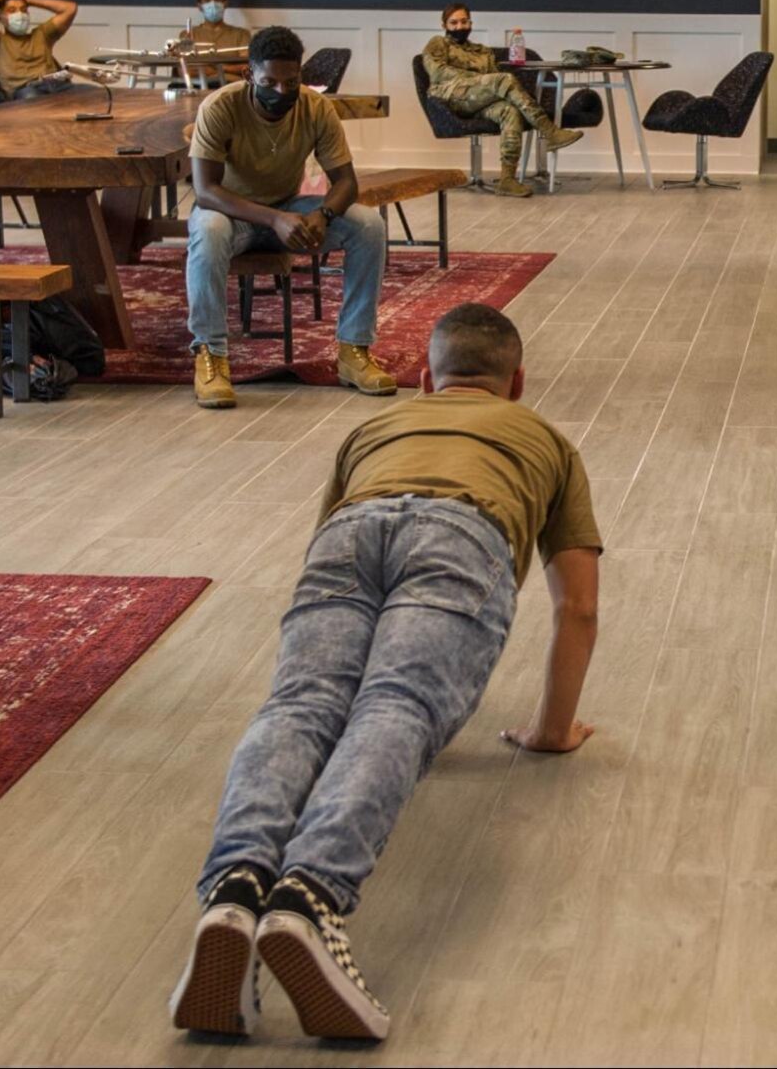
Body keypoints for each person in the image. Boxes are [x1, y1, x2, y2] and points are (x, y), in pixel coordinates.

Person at [169, 302, 603, 1042]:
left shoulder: (372, 428)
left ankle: (234, 888)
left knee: (299, 705)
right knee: (396, 707)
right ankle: (309, 898)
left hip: (351, 532)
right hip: (464, 536)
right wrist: (551, 731)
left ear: (426, 379)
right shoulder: (548, 441)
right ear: (517, 383)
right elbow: (580, 610)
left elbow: (329, 547)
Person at [186, 25, 397, 408]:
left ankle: (354, 350)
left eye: (291, 81)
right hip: (232, 213)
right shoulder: (219, 107)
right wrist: (273, 219)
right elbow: (206, 191)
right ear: (250, 74)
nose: (281, 91)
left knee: (368, 225)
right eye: (270, 81)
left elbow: (346, 182)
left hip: (289, 207)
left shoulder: (316, 108)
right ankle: (211, 356)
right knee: (208, 228)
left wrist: (323, 213)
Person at [421, 3, 583, 199]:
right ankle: (549, 130)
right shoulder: (438, 43)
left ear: (470, 22)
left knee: (509, 111)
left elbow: (492, 78)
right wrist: (478, 79)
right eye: (453, 22)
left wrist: (486, 82)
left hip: (479, 100)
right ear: (444, 25)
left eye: (464, 21)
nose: (459, 27)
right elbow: (438, 73)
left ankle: (507, 179)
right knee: (503, 79)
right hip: (452, 98)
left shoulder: (482, 51)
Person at [0, 0, 77, 98]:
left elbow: (70, 8)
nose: (19, 14)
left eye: (23, 10)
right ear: (0, 18)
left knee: (92, 93)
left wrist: (29, 0)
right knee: (34, 101)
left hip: (57, 84)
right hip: (26, 90)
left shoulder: (42, 34)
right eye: (12, 10)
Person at [178, 0, 249, 85]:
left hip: (231, 86)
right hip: (197, 87)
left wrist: (217, 69)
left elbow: (246, 67)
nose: (213, 4)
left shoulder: (241, 34)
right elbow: (184, 70)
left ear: (225, 3)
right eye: (207, 1)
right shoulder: (188, 35)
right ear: (199, 6)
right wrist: (228, 68)